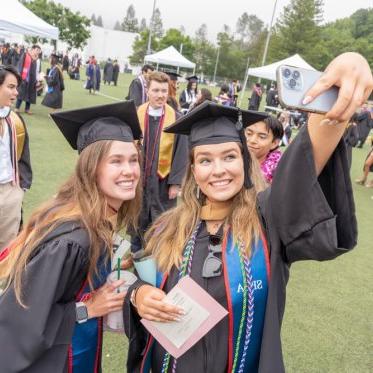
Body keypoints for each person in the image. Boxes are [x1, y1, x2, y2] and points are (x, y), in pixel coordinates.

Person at [123, 52, 373, 373]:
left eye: (229, 156)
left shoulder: (269, 220)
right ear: (193, 170)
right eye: (205, 160)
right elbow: (138, 276)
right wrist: (138, 295)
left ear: (244, 160)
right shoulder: (168, 227)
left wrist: (349, 68)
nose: (218, 171)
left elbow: (304, 166)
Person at [0, 101, 143, 372]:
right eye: (116, 161)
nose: (129, 171)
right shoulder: (72, 242)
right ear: (91, 169)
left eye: (133, 159)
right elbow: (18, 323)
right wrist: (87, 309)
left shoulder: (94, 221)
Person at [130, 71, 188, 253]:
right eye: (156, 90)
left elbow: (181, 152)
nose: (160, 95)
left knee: (161, 222)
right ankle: (135, 254)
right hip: (138, 180)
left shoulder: (177, 119)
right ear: (147, 90)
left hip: (163, 182)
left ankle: (156, 260)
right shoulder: (135, 115)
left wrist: (176, 183)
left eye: (164, 91)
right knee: (137, 219)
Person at [0, 65, 32, 252]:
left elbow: (23, 156)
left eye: (16, 87)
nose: (16, 92)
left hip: (11, 192)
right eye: (11, 87)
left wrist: (21, 188)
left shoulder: (15, 120)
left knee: (7, 251)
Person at [245, 116, 284, 183]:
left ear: (274, 143)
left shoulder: (279, 176)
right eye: (249, 133)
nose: (252, 140)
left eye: (262, 137)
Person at [15, 44, 41, 114]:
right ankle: (17, 107)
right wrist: (19, 76)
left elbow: (37, 70)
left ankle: (27, 109)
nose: (38, 52)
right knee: (21, 93)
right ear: (32, 49)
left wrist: (37, 80)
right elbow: (20, 65)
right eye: (37, 50)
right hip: (24, 77)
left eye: (39, 51)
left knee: (30, 93)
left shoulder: (36, 59)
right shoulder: (25, 55)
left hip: (32, 79)